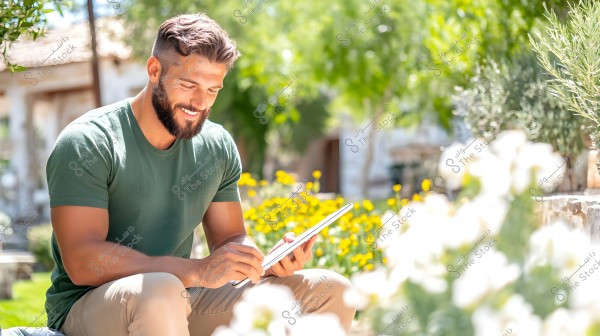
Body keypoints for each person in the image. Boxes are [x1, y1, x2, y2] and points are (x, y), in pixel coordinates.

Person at [44, 13, 356, 336]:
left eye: (212, 90)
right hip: (89, 310)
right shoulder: (89, 142)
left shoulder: (216, 145)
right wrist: (195, 271)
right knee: (162, 290)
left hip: (179, 300)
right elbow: (82, 261)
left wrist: (263, 264)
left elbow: (230, 240)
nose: (200, 103)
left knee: (330, 290)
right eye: (188, 84)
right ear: (154, 70)